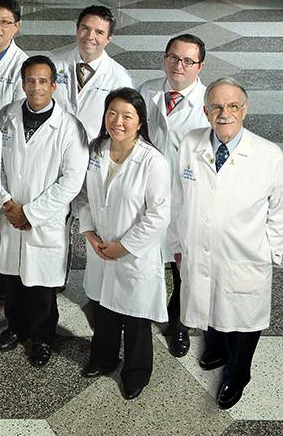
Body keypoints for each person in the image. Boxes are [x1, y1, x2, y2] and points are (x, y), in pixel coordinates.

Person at [169, 77, 283, 410]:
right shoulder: (190, 142)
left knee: (243, 316)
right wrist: (176, 243)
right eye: (217, 107)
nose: (225, 113)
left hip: (246, 255)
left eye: (233, 106)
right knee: (208, 302)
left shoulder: (268, 154)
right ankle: (217, 348)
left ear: (245, 109)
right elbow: (177, 196)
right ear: (206, 111)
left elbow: (282, 207)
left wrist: (269, 251)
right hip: (198, 246)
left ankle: (238, 374)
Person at [0, 55, 88, 367]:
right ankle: (16, 327)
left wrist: (29, 213)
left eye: (42, 81)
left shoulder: (70, 127)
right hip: (10, 214)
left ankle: (43, 336)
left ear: (54, 86)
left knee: (42, 288)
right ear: (22, 83)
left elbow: (71, 182)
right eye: (30, 80)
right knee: (14, 281)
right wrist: (5, 204)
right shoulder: (6, 116)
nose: (35, 87)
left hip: (43, 221)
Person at [76, 88, 171, 400]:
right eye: (112, 113)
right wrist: (89, 232)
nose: (118, 121)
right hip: (100, 247)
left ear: (140, 122)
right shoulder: (95, 150)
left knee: (135, 318)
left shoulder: (152, 161)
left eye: (127, 116)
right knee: (103, 310)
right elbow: (85, 197)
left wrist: (124, 246)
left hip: (133, 256)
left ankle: (136, 373)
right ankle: (103, 358)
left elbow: (158, 215)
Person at [138, 34, 209, 358]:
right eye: (172, 57)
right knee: (144, 253)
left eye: (187, 61)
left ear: (199, 66)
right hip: (148, 191)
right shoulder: (148, 91)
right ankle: (138, 310)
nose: (178, 66)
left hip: (186, 197)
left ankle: (179, 323)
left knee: (183, 263)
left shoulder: (208, 104)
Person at [51, 5, 134, 143]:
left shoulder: (120, 78)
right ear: (77, 30)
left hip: (93, 151)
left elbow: (124, 125)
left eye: (99, 32)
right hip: (52, 145)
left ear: (109, 39)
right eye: (85, 28)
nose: (90, 36)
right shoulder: (53, 65)